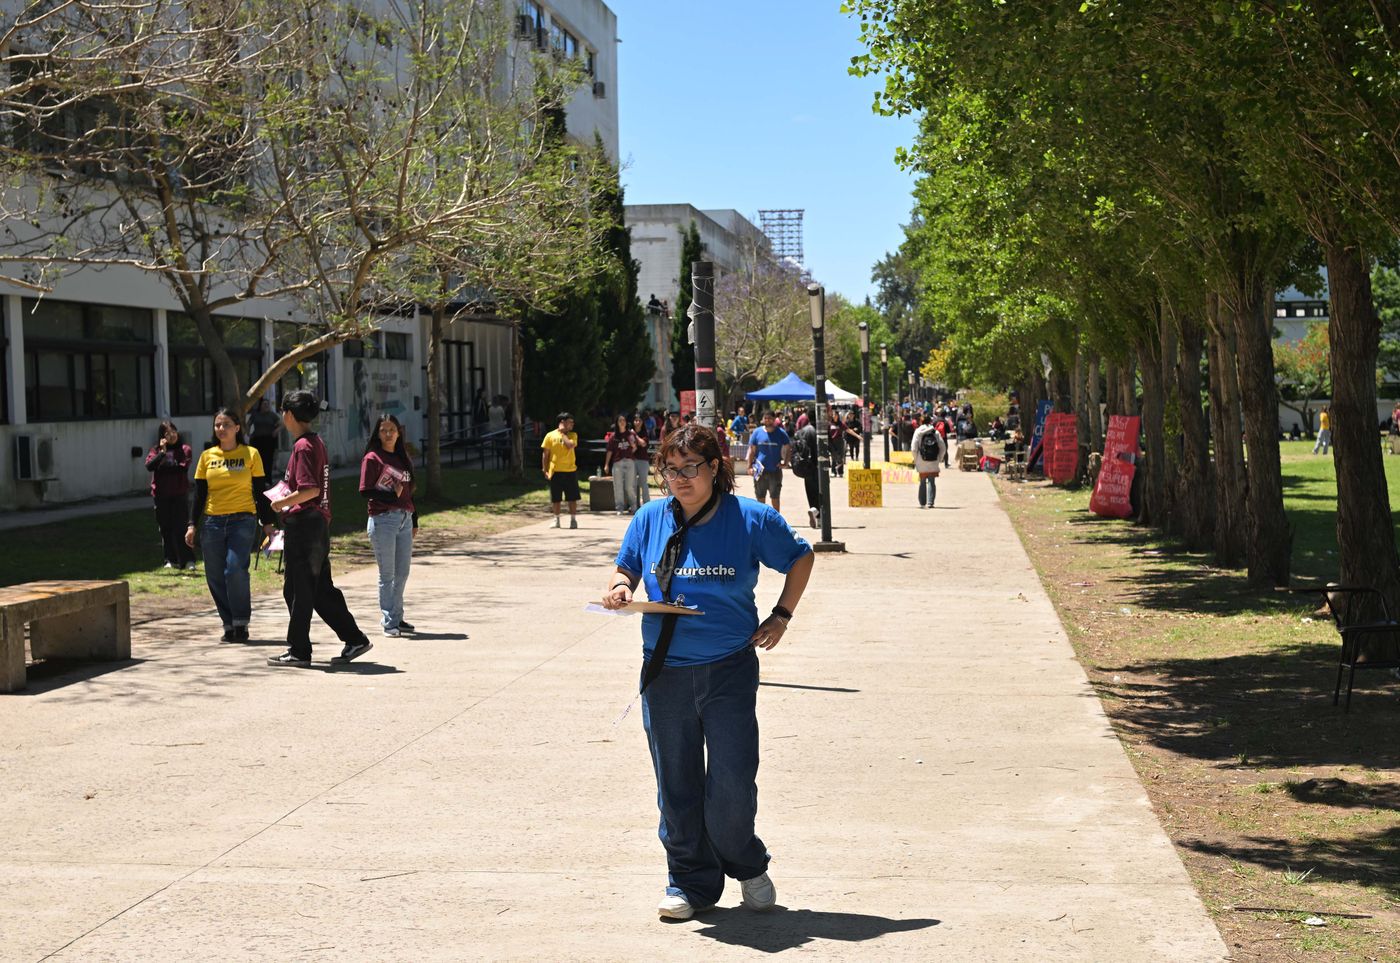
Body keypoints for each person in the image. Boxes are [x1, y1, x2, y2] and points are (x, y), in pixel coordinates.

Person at [600, 424, 814, 921]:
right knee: (676, 785)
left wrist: (781, 615)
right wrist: (618, 588)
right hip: (665, 673)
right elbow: (627, 566)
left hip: (728, 671)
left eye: (690, 469)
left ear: (716, 468)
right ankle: (689, 883)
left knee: (732, 787)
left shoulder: (751, 519)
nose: (680, 479)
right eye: (670, 471)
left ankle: (746, 863)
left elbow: (800, 558)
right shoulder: (650, 517)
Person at [266, 391, 374, 667]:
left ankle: (299, 650)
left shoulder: (303, 446)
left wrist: (281, 503)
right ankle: (354, 638)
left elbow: (310, 489)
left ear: (289, 414)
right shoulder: (315, 442)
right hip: (316, 526)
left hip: (305, 525)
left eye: (283, 412)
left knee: (298, 590)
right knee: (318, 590)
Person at [186, 408, 276, 641]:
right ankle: (228, 624)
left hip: (242, 520)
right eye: (217, 425)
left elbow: (260, 491)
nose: (221, 429)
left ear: (237, 428)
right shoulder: (207, 456)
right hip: (213, 522)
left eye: (226, 424)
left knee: (235, 569)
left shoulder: (251, 454)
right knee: (214, 574)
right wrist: (191, 525)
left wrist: (267, 523)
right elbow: (199, 494)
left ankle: (241, 622)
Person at [360, 414, 418, 637]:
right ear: (378, 433)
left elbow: (410, 490)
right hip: (383, 519)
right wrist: (390, 497)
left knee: (402, 572)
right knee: (387, 575)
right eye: (383, 430)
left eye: (392, 429)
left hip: (405, 518)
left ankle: (397, 617)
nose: (388, 434)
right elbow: (365, 491)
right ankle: (388, 621)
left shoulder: (403, 457)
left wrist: (415, 518)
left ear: (399, 432)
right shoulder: (372, 458)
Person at [146, 420, 196, 570]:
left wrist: (164, 468)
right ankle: (170, 559)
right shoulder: (156, 451)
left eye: (174, 432)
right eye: (168, 434)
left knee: (181, 527)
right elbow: (150, 466)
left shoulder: (184, 449)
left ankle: (188, 560)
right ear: (162, 437)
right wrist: (162, 453)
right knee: (165, 528)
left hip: (179, 494)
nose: (172, 436)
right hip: (161, 495)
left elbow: (182, 468)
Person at [745, 410, 791, 512]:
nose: (767, 420)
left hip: (775, 471)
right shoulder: (757, 432)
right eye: (765, 418)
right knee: (760, 498)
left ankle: (776, 522)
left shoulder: (780, 433)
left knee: (775, 498)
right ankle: (762, 522)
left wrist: (786, 463)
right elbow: (752, 450)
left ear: (774, 419)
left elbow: (788, 448)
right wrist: (749, 467)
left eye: (770, 418)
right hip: (759, 471)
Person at [541, 411, 580, 529]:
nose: (572, 424)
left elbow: (569, 445)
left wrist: (563, 433)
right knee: (556, 497)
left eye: (573, 422)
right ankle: (556, 519)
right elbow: (545, 454)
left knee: (572, 497)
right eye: (569, 422)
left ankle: (573, 520)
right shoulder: (550, 435)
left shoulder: (573, 435)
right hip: (555, 471)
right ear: (562, 422)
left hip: (570, 471)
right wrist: (545, 469)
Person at [604, 413, 640, 516]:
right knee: (618, 485)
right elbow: (609, 450)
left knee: (630, 486)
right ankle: (619, 508)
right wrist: (606, 464)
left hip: (629, 461)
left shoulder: (630, 434)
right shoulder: (614, 436)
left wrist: (631, 449)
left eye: (623, 420)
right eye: (620, 420)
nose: (622, 422)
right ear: (617, 423)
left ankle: (633, 506)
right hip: (617, 462)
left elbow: (635, 447)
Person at [911, 413, 946, 508]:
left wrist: (915, 459)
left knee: (922, 481)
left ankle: (922, 502)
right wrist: (940, 458)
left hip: (921, 460)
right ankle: (930, 502)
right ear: (930, 421)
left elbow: (914, 448)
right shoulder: (935, 432)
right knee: (931, 481)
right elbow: (943, 447)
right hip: (933, 460)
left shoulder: (918, 432)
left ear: (921, 422)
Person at [792, 417, 821, 529]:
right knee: (820, 493)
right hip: (817, 466)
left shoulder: (801, 431)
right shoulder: (817, 430)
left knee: (810, 492)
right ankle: (816, 513)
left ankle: (813, 510)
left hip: (806, 466)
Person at [247, 398, 281, 477]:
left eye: (267, 404)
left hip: (269, 439)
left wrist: (276, 431)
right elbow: (248, 424)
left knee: (268, 459)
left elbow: (281, 424)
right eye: (264, 404)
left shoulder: (272, 415)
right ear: (260, 405)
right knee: (258, 459)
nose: (266, 406)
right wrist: (248, 433)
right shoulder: (255, 414)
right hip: (257, 439)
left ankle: (268, 478)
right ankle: (258, 477)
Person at [630, 413, 653, 507]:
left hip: (643, 460)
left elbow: (643, 443)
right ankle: (634, 504)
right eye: (636, 420)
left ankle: (646, 503)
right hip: (632, 460)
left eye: (639, 420)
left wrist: (635, 435)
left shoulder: (644, 433)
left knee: (643, 482)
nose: (637, 422)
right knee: (633, 483)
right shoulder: (629, 433)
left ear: (642, 422)